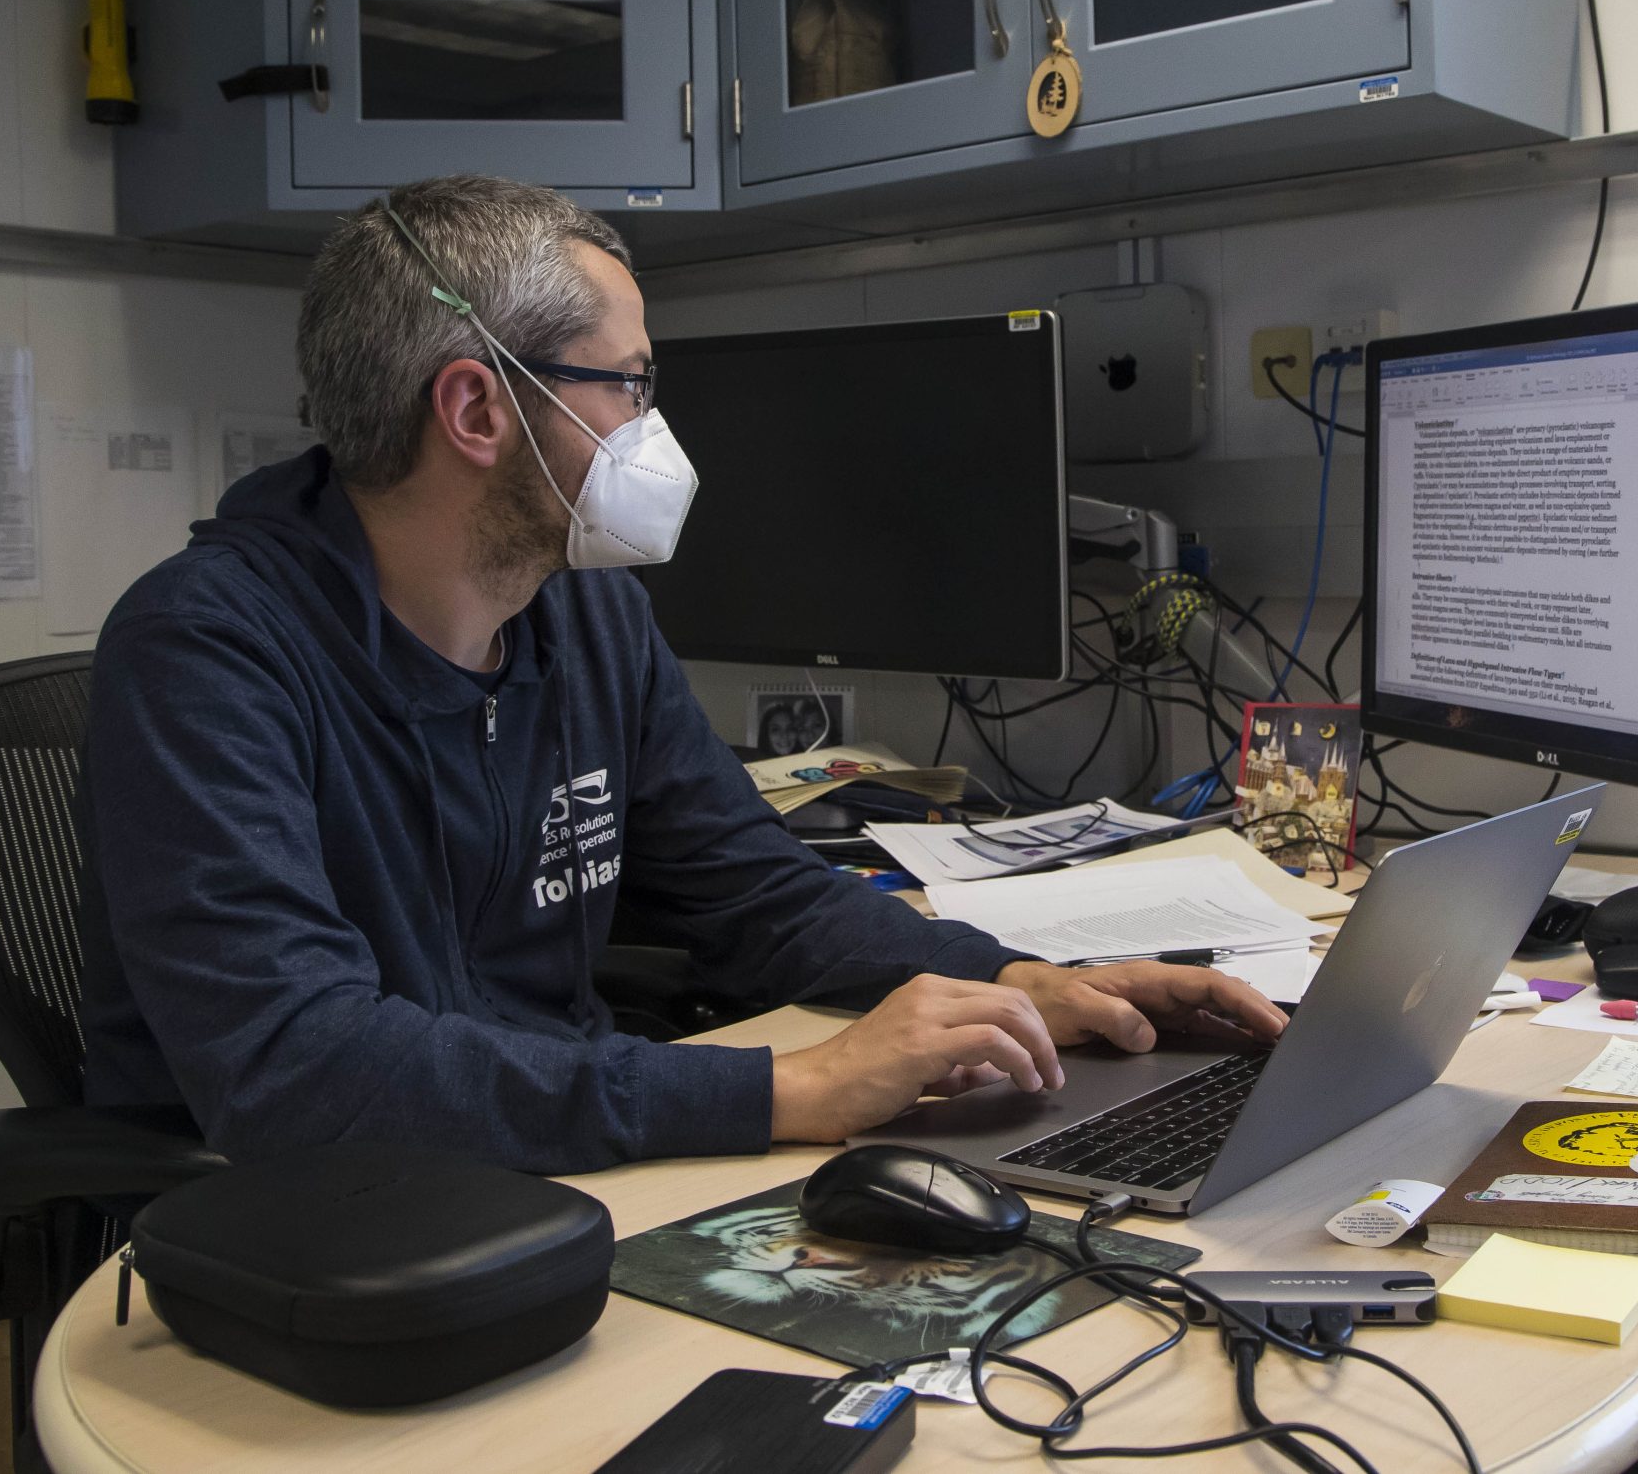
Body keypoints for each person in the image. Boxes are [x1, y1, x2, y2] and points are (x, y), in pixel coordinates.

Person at [74, 174, 1285, 1173]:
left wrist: (1022, 984)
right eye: (631, 385)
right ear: (478, 410)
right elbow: (301, 1072)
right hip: (305, 1229)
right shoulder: (206, 652)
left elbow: (753, 893)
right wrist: (791, 1088)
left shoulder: (586, 614)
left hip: (549, 1168)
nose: (655, 428)